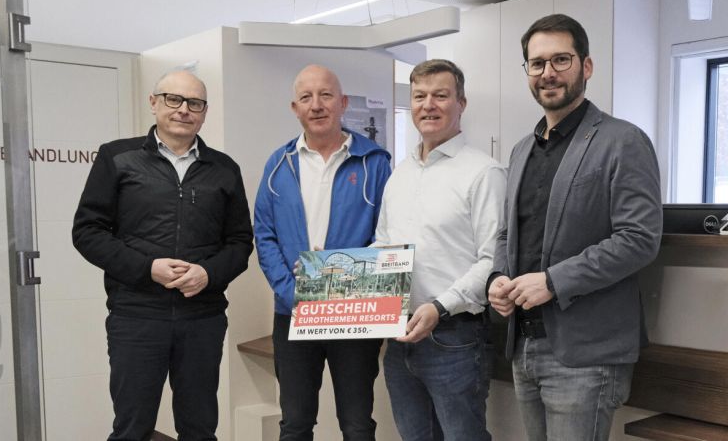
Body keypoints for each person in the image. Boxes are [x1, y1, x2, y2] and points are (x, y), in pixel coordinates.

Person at [487, 14, 662, 441]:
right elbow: (508, 232)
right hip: (524, 343)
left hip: (586, 353)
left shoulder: (623, 141)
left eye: (560, 60)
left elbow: (639, 239)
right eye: (537, 63)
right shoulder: (522, 149)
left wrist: (553, 281)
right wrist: (497, 277)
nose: (548, 72)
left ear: (586, 66)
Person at [72, 70, 254, 441]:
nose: (183, 110)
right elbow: (87, 232)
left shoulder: (224, 169)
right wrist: (146, 268)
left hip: (202, 318)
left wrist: (208, 274)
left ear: (204, 112)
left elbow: (239, 242)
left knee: (199, 428)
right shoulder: (116, 157)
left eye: (195, 103)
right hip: (136, 316)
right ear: (153, 103)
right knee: (132, 428)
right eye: (174, 99)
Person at [254, 64, 392, 440]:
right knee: (295, 424)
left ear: (343, 102)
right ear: (295, 108)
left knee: (357, 424)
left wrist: (344, 285)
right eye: (306, 97)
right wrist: (293, 293)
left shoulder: (375, 162)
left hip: (354, 314)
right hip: (293, 312)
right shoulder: (278, 164)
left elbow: (388, 234)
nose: (316, 105)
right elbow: (264, 235)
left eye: (326, 95)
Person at [374, 59, 506, 440]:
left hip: (455, 338)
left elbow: (492, 261)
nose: (428, 105)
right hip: (399, 336)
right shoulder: (400, 173)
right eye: (419, 96)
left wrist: (439, 306)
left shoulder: (484, 173)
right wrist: (334, 272)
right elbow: (383, 245)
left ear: (461, 103)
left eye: (440, 96)